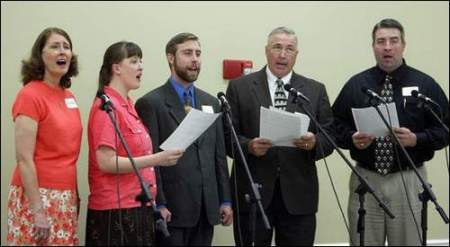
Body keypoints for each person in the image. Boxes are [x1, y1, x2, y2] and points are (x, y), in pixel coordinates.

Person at [332, 18, 449, 246]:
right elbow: (334, 126)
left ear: (403, 45)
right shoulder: (356, 84)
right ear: (373, 46)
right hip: (366, 179)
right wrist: (352, 139)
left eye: (393, 41)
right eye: (381, 41)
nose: (387, 47)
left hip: (408, 176)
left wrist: (417, 139)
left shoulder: (425, 84)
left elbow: (445, 129)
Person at [225, 26, 335, 246]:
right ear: (266, 51)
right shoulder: (239, 87)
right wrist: (249, 146)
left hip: (298, 196)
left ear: (296, 54)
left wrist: (314, 142)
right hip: (252, 194)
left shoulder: (315, 90)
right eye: (277, 47)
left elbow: (330, 137)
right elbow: (227, 136)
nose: (282, 54)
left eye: (289, 49)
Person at [135, 32, 232, 246]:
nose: (195, 59)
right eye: (187, 53)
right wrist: (159, 203)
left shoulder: (211, 103)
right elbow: (150, 160)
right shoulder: (152, 103)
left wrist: (225, 199)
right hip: (172, 210)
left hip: (207, 208)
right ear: (171, 57)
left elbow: (218, 156)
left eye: (198, 53)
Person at [85, 41, 184, 246]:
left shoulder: (128, 105)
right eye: (134, 61)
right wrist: (157, 159)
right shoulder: (106, 107)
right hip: (115, 210)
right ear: (117, 68)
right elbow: (106, 162)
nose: (141, 66)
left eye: (141, 61)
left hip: (140, 206)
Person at [6, 27, 81, 245]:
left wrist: (74, 196)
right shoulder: (30, 95)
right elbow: (23, 159)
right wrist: (37, 211)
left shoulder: (69, 97)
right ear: (41, 55)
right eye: (55, 46)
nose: (62, 52)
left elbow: (69, 152)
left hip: (65, 196)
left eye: (66, 47)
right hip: (37, 197)